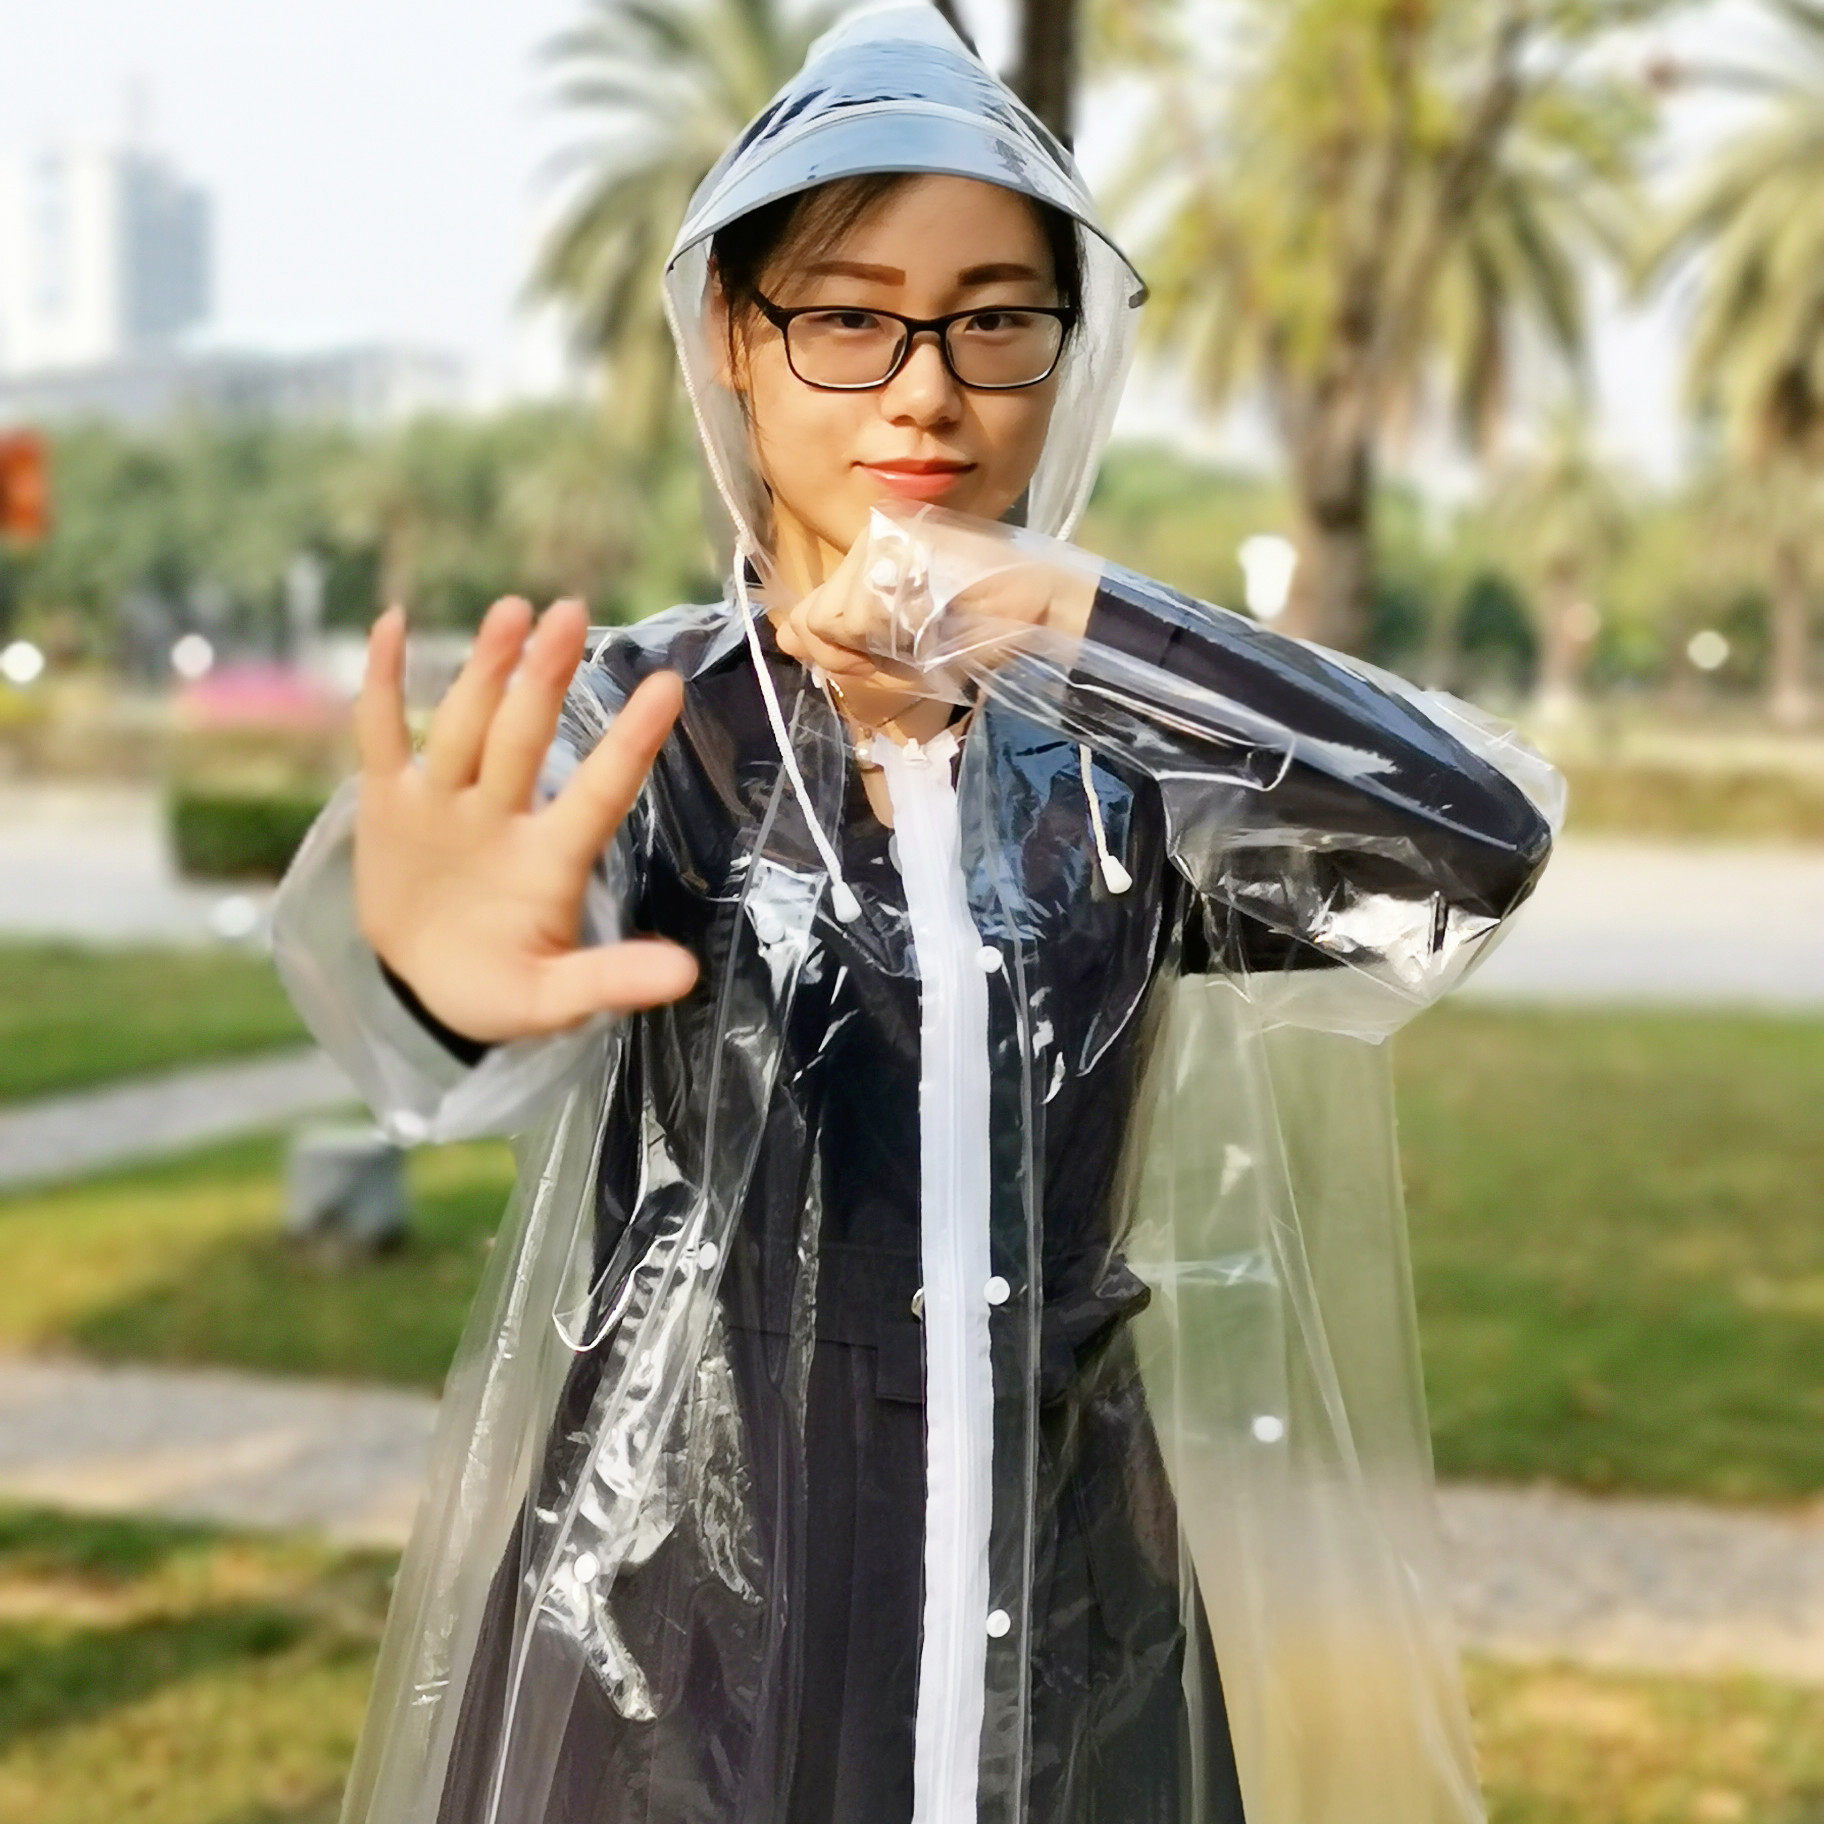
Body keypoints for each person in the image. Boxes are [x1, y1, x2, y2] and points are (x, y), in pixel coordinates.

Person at [271, 8, 1559, 1823]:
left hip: (1080, 1613)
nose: (925, 389)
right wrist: (435, 974)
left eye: (995, 320)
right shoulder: (660, 726)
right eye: (848, 315)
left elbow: (1468, 842)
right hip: (697, 1631)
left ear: (1068, 352)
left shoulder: (1114, 769)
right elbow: (481, 930)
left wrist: (1074, 619)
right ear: (736, 338)